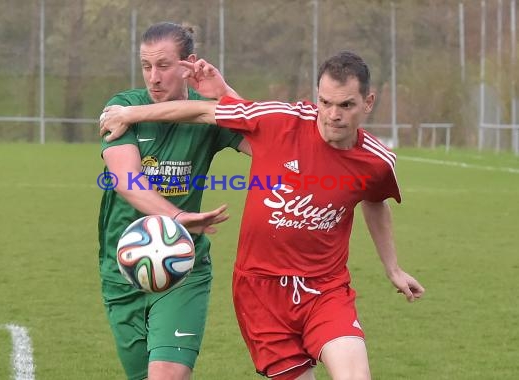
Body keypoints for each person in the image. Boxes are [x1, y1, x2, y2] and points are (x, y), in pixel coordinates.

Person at [100, 51, 425, 380]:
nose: (332, 115)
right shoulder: (280, 120)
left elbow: (375, 200)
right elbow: (201, 110)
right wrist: (130, 114)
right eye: (325, 103)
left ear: (368, 102)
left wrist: (393, 268)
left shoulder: (376, 161)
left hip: (324, 289)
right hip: (260, 293)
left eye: (346, 105)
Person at [98, 22, 250, 380]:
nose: (154, 77)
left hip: (184, 265)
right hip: (124, 265)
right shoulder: (122, 107)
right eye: (146, 66)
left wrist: (225, 92)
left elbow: (272, 142)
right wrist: (178, 216)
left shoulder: (209, 110)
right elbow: (126, 181)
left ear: (188, 64)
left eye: (164, 66)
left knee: (166, 375)